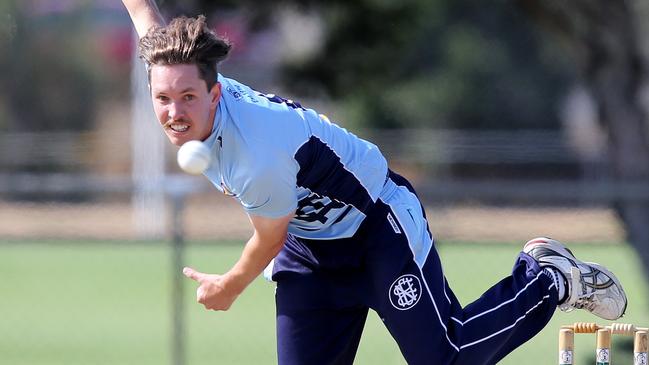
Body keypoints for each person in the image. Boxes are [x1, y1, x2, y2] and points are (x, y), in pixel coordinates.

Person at [121, 1, 628, 364]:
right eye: (163, 98)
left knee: (445, 357)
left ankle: (549, 278)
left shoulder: (257, 152)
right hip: (312, 253)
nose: (174, 112)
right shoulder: (176, 74)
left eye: (187, 97)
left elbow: (268, 237)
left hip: (377, 229)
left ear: (215, 93)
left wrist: (229, 285)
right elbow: (147, 17)